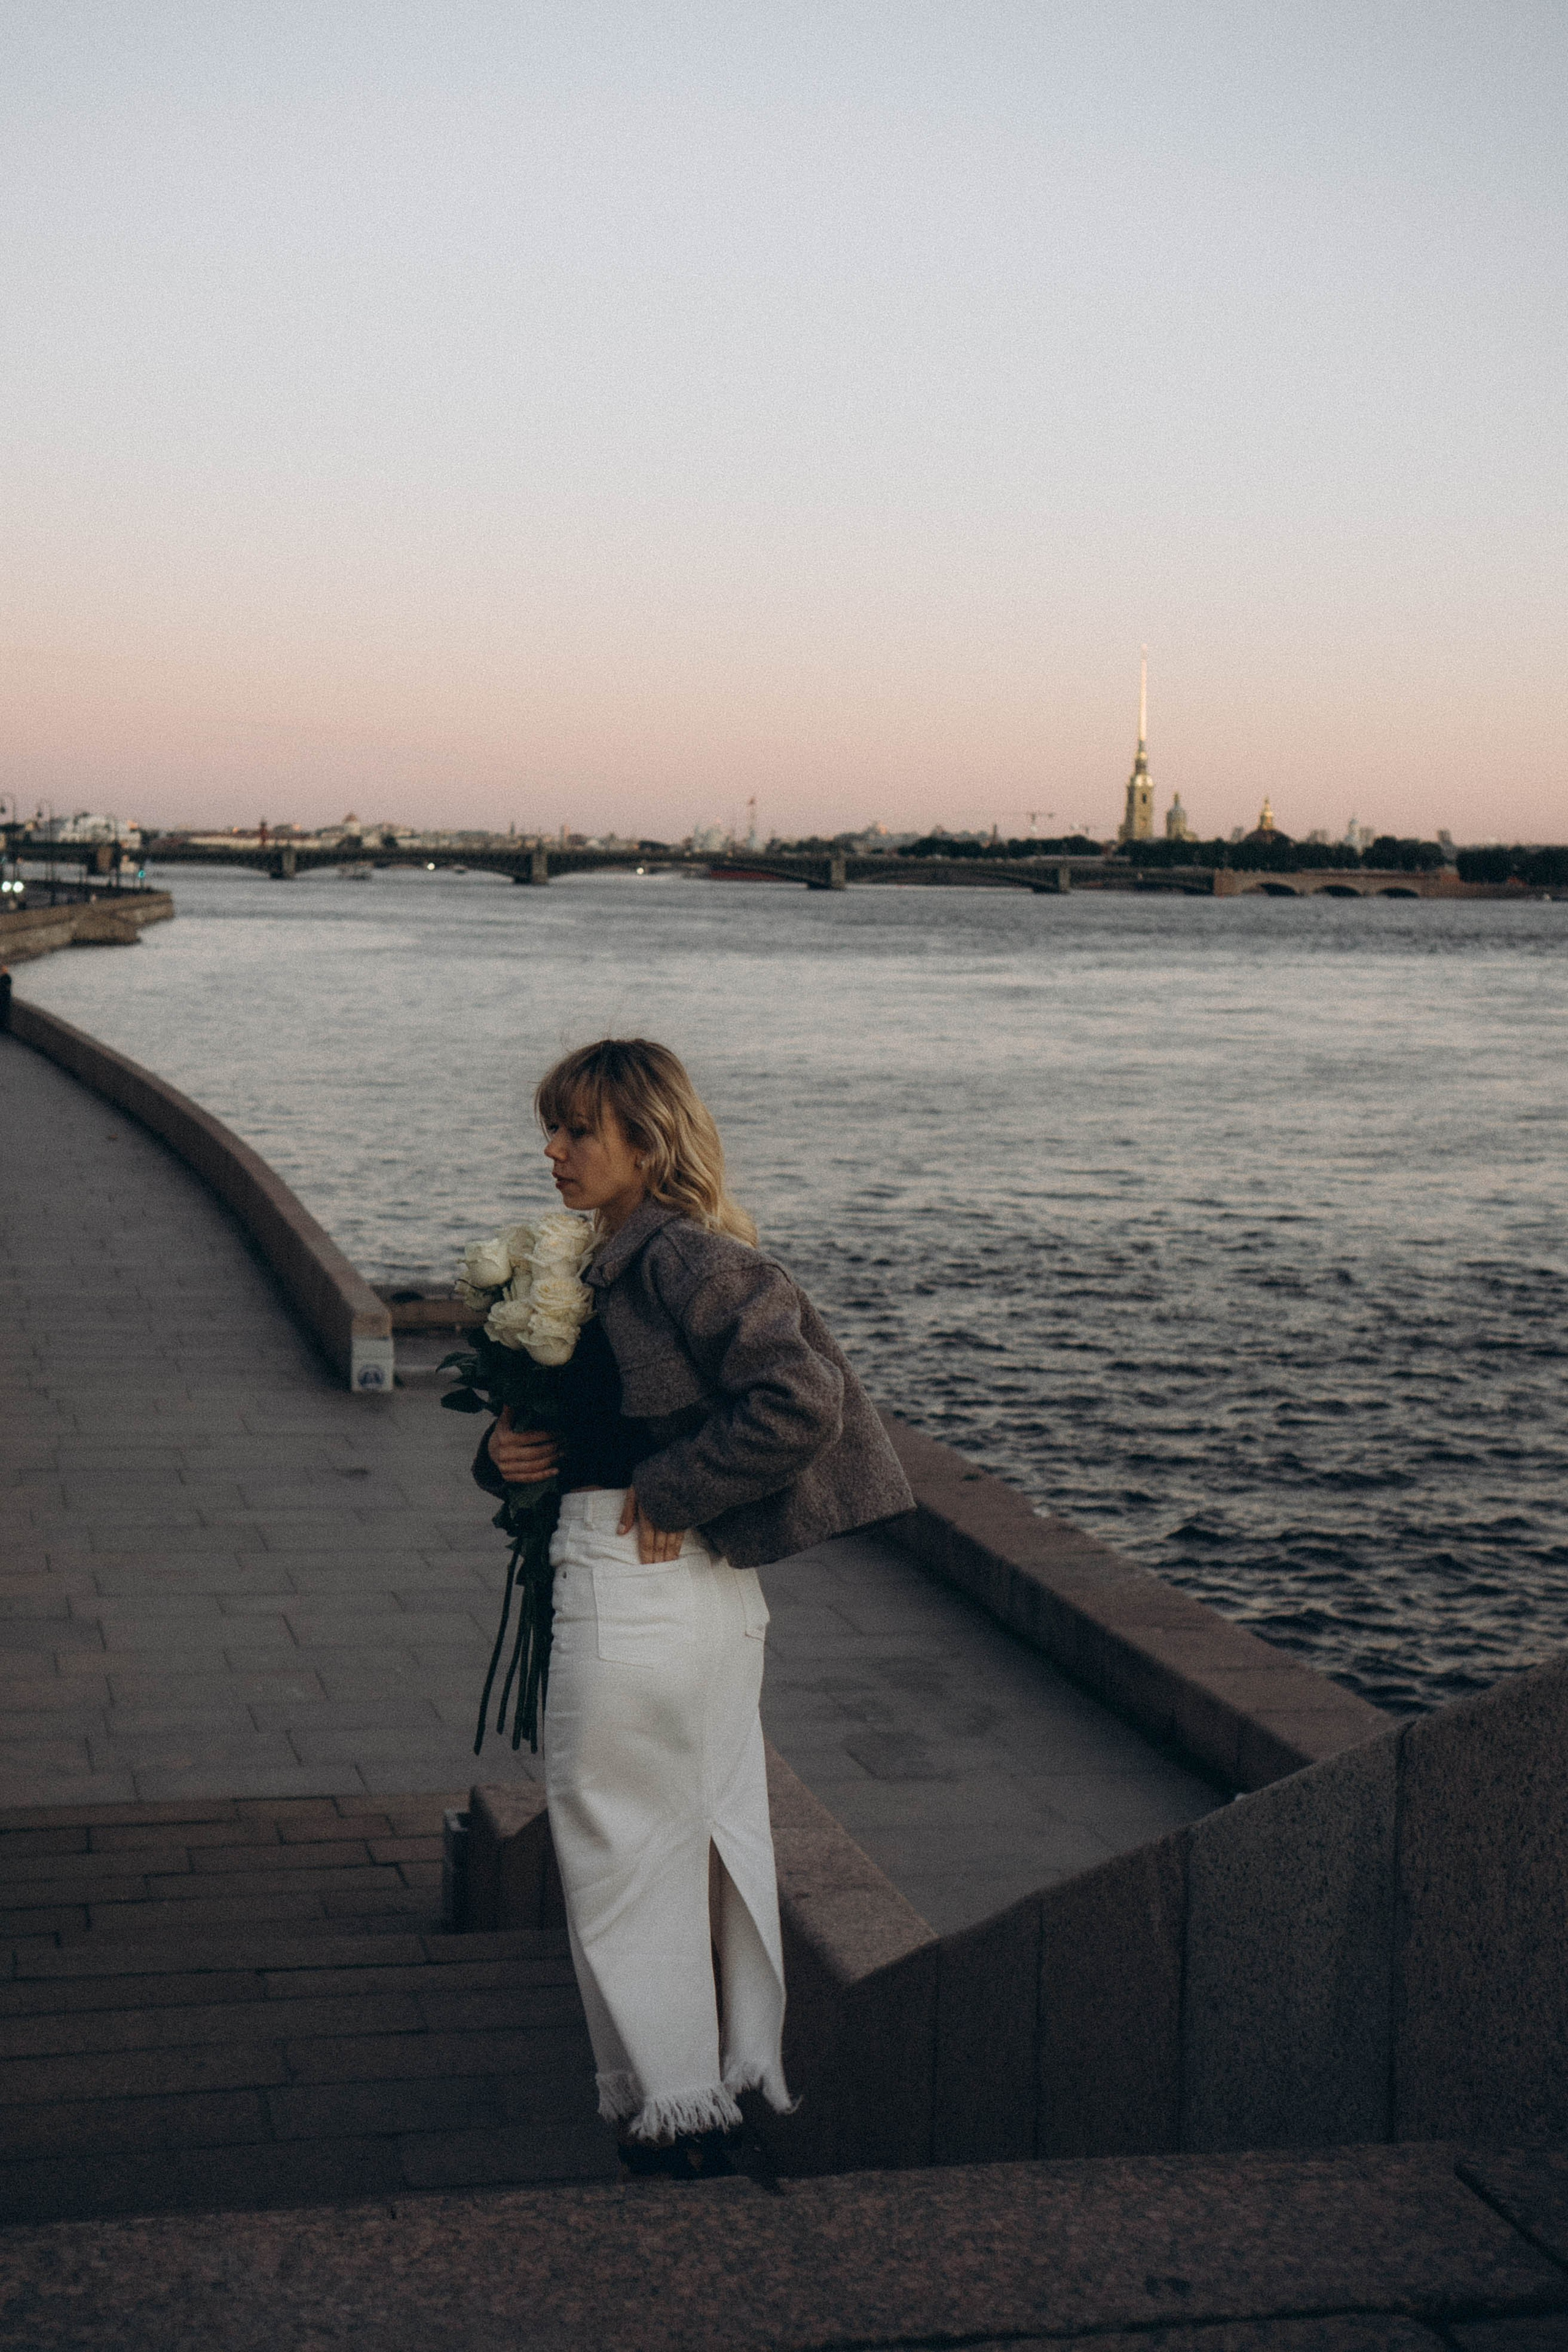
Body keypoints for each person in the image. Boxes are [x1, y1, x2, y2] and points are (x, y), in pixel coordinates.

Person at [472, 1037, 913, 2177]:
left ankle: (674, 2114)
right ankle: (709, 2091)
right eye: (553, 1127)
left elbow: (802, 1397)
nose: (555, 1149)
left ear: (646, 1141)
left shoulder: (680, 1255)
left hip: (638, 1595)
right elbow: (597, 1427)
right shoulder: (619, 1257)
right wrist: (507, 1451)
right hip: (695, 1599)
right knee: (699, 1833)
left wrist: (674, 1488)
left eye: (578, 1129)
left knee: (621, 1847)